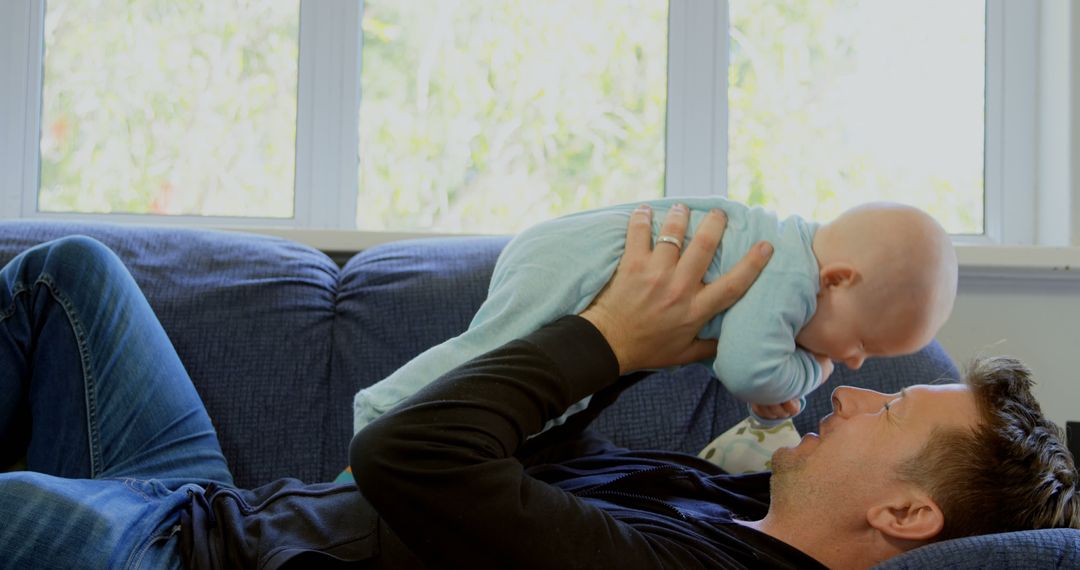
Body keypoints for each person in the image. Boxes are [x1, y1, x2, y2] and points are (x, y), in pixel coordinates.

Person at [0, 205, 1071, 568]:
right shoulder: (736, 505)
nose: (866, 389)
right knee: (69, 275)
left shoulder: (685, 567)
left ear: (906, 511)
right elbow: (524, 464)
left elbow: (407, 456)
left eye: (897, 409)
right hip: (212, 500)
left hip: (183, 554)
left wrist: (604, 341)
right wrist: (654, 340)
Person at [353, 198, 959, 435]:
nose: (851, 360)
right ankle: (385, 411)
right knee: (490, 356)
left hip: (569, 248)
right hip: (585, 261)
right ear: (836, 280)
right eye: (862, 342)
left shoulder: (786, 260)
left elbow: (746, 354)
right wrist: (805, 374)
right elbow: (749, 367)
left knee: (544, 396)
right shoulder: (789, 271)